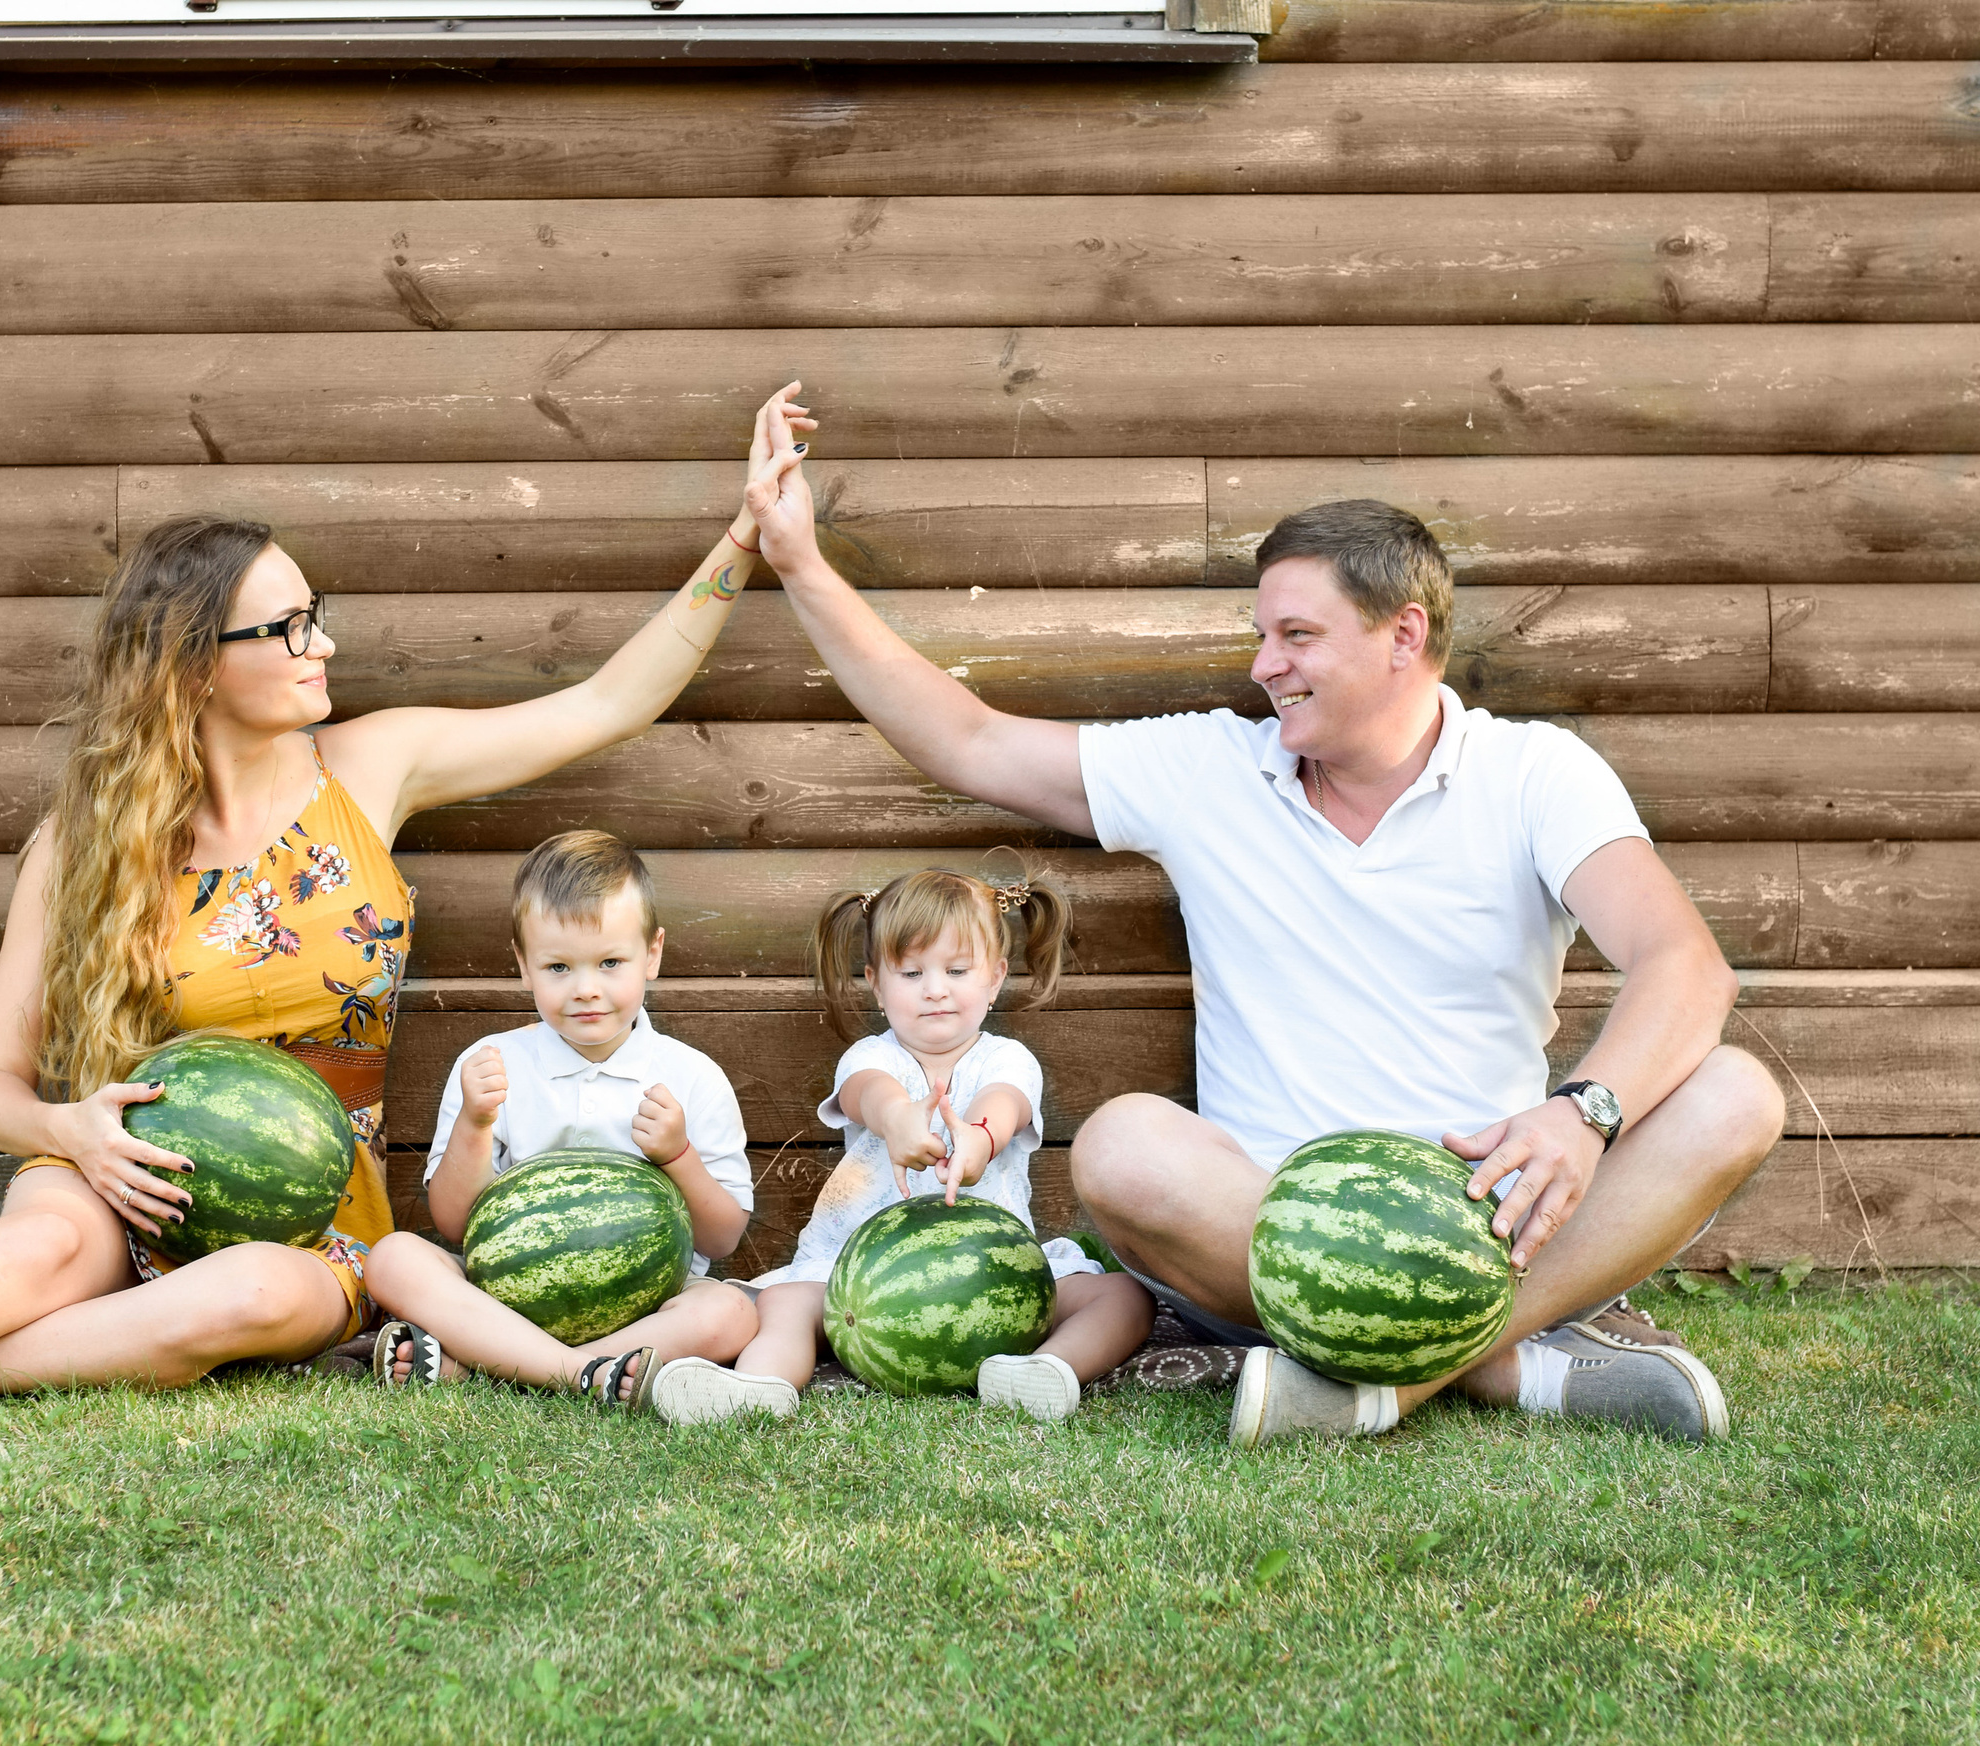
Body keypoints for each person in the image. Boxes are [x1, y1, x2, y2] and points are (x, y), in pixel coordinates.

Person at [0, 388, 816, 1525]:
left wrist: (742, 539)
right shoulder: (84, 845)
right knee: (30, 1249)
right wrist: (76, 1136)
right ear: (192, 666)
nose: (320, 643)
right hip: (123, 1180)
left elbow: (607, 703)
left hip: (318, 1219)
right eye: (285, 628)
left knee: (248, 1305)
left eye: (313, 616)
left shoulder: (371, 770)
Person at [743, 413, 1784, 1448]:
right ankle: (1497, 1361)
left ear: (1402, 637)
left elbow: (1682, 964)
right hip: (1256, 1230)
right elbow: (967, 741)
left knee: (1735, 1092)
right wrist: (798, 562)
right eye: (1261, 635)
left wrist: (1580, 1114)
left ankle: (1411, 1373)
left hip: (1485, 1221)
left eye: (1295, 637)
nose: (1262, 666)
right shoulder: (1210, 769)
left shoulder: (1534, 774)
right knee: (1120, 1146)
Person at [664, 867, 1153, 1424]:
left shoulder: (1007, 1060)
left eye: (957, 970)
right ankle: (758, 1387)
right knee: (783, 1303)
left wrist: (979, 1138)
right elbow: (868, 1095)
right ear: (876, 982)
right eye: (912, 972)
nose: (935, 988)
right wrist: (897, 1120)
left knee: (1122, 1296)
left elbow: (1005, 1101)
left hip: (992, 1275)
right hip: (855, 1277)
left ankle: (1044, 1372)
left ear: (994, 978)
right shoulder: (872, 1059)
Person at [360, 831, 759, 1419]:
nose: (586, 988)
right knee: (394, 1257)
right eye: (558, 967)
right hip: (502, 1296)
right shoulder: (492, 1064)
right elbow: (452, 1224)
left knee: (732, 1313)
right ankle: (581, 1375)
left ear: (653, 953)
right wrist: (474, 1123)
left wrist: (679, 1158)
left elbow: (721, 1239)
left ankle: (488, 1364)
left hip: (648, 1304)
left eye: (610, 962)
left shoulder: (691, 1077)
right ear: (524, 966)